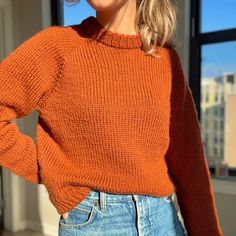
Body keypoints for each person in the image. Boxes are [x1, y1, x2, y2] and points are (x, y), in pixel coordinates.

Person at [0, 0, 223, 235]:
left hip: (163, 219)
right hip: (96, 222)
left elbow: (190, 161)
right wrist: (51, 172)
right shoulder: (57, 48)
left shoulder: (165, 58)